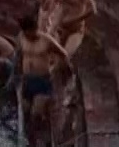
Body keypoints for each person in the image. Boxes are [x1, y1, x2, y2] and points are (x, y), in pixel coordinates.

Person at [15, 12, 72, 147]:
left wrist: (59, 69)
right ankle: (31, 139)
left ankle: (33, 144)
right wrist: (17, 75)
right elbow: (19, 55)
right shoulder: (21, 37)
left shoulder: (46, 40)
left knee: (35, 114)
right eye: (27, 33)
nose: (30, 35)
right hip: (27, 81)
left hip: (43, 81)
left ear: (35, 29)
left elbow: (63, 54)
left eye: (32, 32)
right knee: (26, 114)